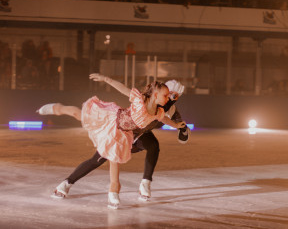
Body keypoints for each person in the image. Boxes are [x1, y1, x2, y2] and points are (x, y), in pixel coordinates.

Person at [37, 73, 186, 209]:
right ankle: (57, 108)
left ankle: (116, 190)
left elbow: (166, 119)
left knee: (120, 155)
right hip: (112, 122)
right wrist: (106, 79)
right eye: (168, 95)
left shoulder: (161, 111)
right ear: (155, 94)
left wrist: (177, 125)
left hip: (126, 135)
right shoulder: (140, 100)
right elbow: (123, 89)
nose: (171, 99)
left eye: (174, 97)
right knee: (79, 116)